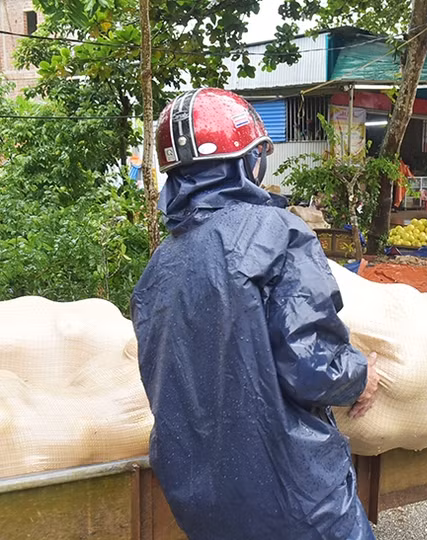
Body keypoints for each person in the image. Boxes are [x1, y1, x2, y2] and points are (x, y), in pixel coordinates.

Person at [131, 88, 379, 540]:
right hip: (295, 497)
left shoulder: (157, 269)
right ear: (246, 161)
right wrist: (361, 376)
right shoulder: (276, 233)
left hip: (201, 505)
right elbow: (314, 366)